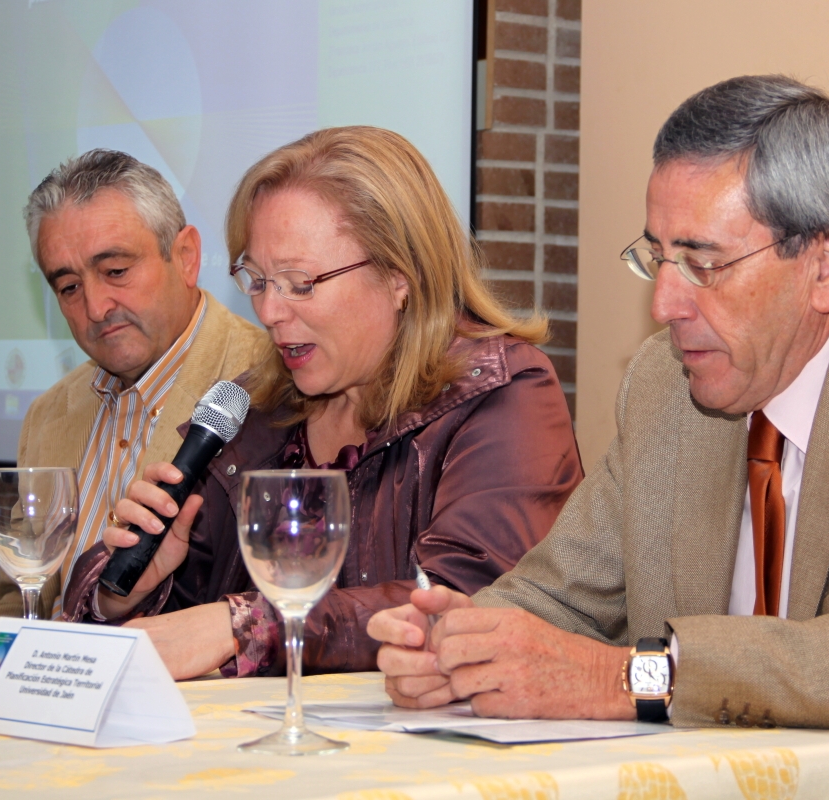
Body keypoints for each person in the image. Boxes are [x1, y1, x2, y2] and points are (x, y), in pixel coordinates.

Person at [369, 75, 829, 777]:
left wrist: (637, 678)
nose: (665, 305)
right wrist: (457, 644)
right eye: (657, 257)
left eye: (702, 262)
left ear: (827, 265)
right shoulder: (665, 385)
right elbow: (555, 597)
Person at [60, 126, 584, 680]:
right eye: (257, 280)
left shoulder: (501, 391)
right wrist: (132, 591)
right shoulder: (254, 411)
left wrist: (245, 626)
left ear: (398, 275)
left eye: (299, 282)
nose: (268, 312)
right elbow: (176, 638)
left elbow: (467, 599)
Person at [0, 149, 269, 622]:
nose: (95, 306)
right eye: (69, 287)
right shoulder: (47, 415)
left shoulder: (268, 385)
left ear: (186, 257)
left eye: (115, 271)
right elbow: (18, 602)